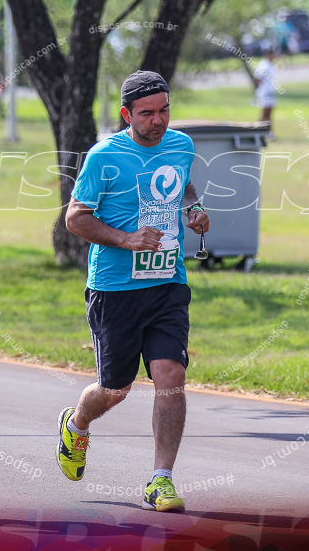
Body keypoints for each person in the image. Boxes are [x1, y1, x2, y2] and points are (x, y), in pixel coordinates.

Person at [57, 70, 211, 512]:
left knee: (171, 376)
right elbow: (75, 219)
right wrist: (127, 240)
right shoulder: (105, 156)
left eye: (164, 110)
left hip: (167, 282)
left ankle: (160, 480)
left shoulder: (181, 145)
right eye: (147, 114)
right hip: (115, 288)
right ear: (126, 115)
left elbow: (182, 184)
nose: (158, 120)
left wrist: (193, 209)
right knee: (115, 388)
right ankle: (78, 422)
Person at [253, 49, 278, 125]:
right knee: (265, 114)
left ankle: (268, 131)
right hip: (265, 93)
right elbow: (258, 78)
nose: (274, 56)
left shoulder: (271, 65)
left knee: (269, 114)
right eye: (272, 54)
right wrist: (259, 91)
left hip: (270, 92)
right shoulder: (263, 65)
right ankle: (257, 130)